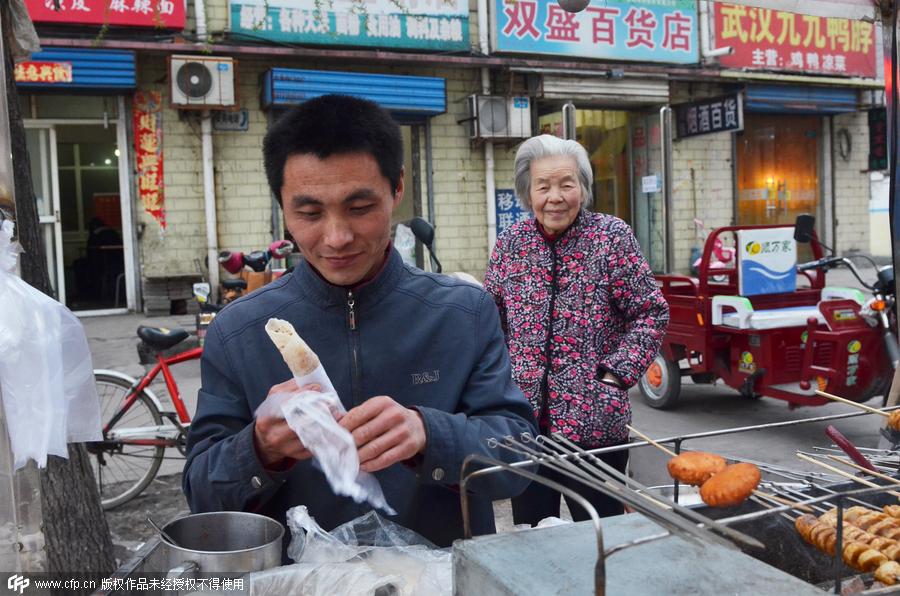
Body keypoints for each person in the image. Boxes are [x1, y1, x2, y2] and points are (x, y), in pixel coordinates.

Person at [183, 95, 537, 556]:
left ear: (397, 188)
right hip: (301, 582)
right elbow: (202, 495)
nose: (336, 237)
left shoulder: (464, 313)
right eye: (309, 214)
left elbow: (519, 458)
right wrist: (259, 448)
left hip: (439, 576)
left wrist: (429, 435)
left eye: (359, 207)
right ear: (282, 207)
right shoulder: (238, 331)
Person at [484, 134, 669, 525]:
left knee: (602, 533)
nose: (555, 197)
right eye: (543, 186)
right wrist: (500, 386)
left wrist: (614, 375)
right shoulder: (511, 245)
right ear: (527, 192)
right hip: (526, 427)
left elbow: (650, 312)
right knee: (534, 534)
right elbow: (491, 324)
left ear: (582, 188)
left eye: (566, 184)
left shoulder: (611, 237)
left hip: (596, 426)